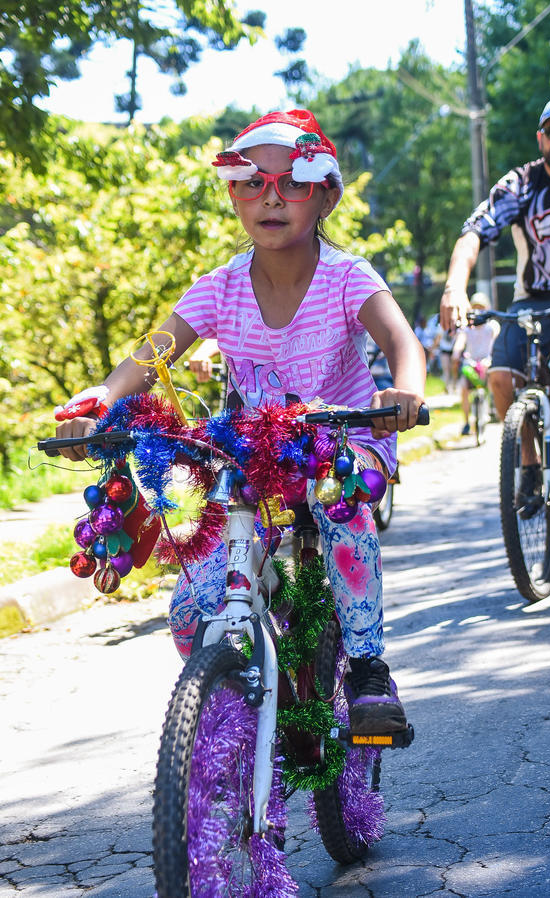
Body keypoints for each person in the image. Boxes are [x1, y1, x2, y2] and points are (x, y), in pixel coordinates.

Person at [55, 108, 426, 736]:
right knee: (190, 610)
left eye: (292, 182)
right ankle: (241, 695)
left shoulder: (346, 276)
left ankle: (366, 669)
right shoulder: (220, 287)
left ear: (325, 195)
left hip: (342, 443)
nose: (270, 198)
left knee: (342, 504)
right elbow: (154, 351)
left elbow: (401, 343)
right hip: (251, 454)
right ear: (232, 196)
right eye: (251, 182)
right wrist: (102, 397)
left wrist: (407, 391)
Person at [440, 94, 550, 510]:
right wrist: (454, 287)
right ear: (540, 138)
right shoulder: (521, 184)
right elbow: (474, 233)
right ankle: (529, 462)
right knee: (499, 376)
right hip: (531, 298)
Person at [451, 292, 499, 434]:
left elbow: (496, 340)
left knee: (493, 379)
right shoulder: (467, 327)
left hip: (487, 362)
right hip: (471, 363)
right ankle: (466, 422)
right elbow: (460, 342)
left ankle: (493, 407)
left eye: (481, 307)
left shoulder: (492, 326)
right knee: (464, 389)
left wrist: (490, 359)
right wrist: (456, 353)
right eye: (475, 307)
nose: (478, 311)